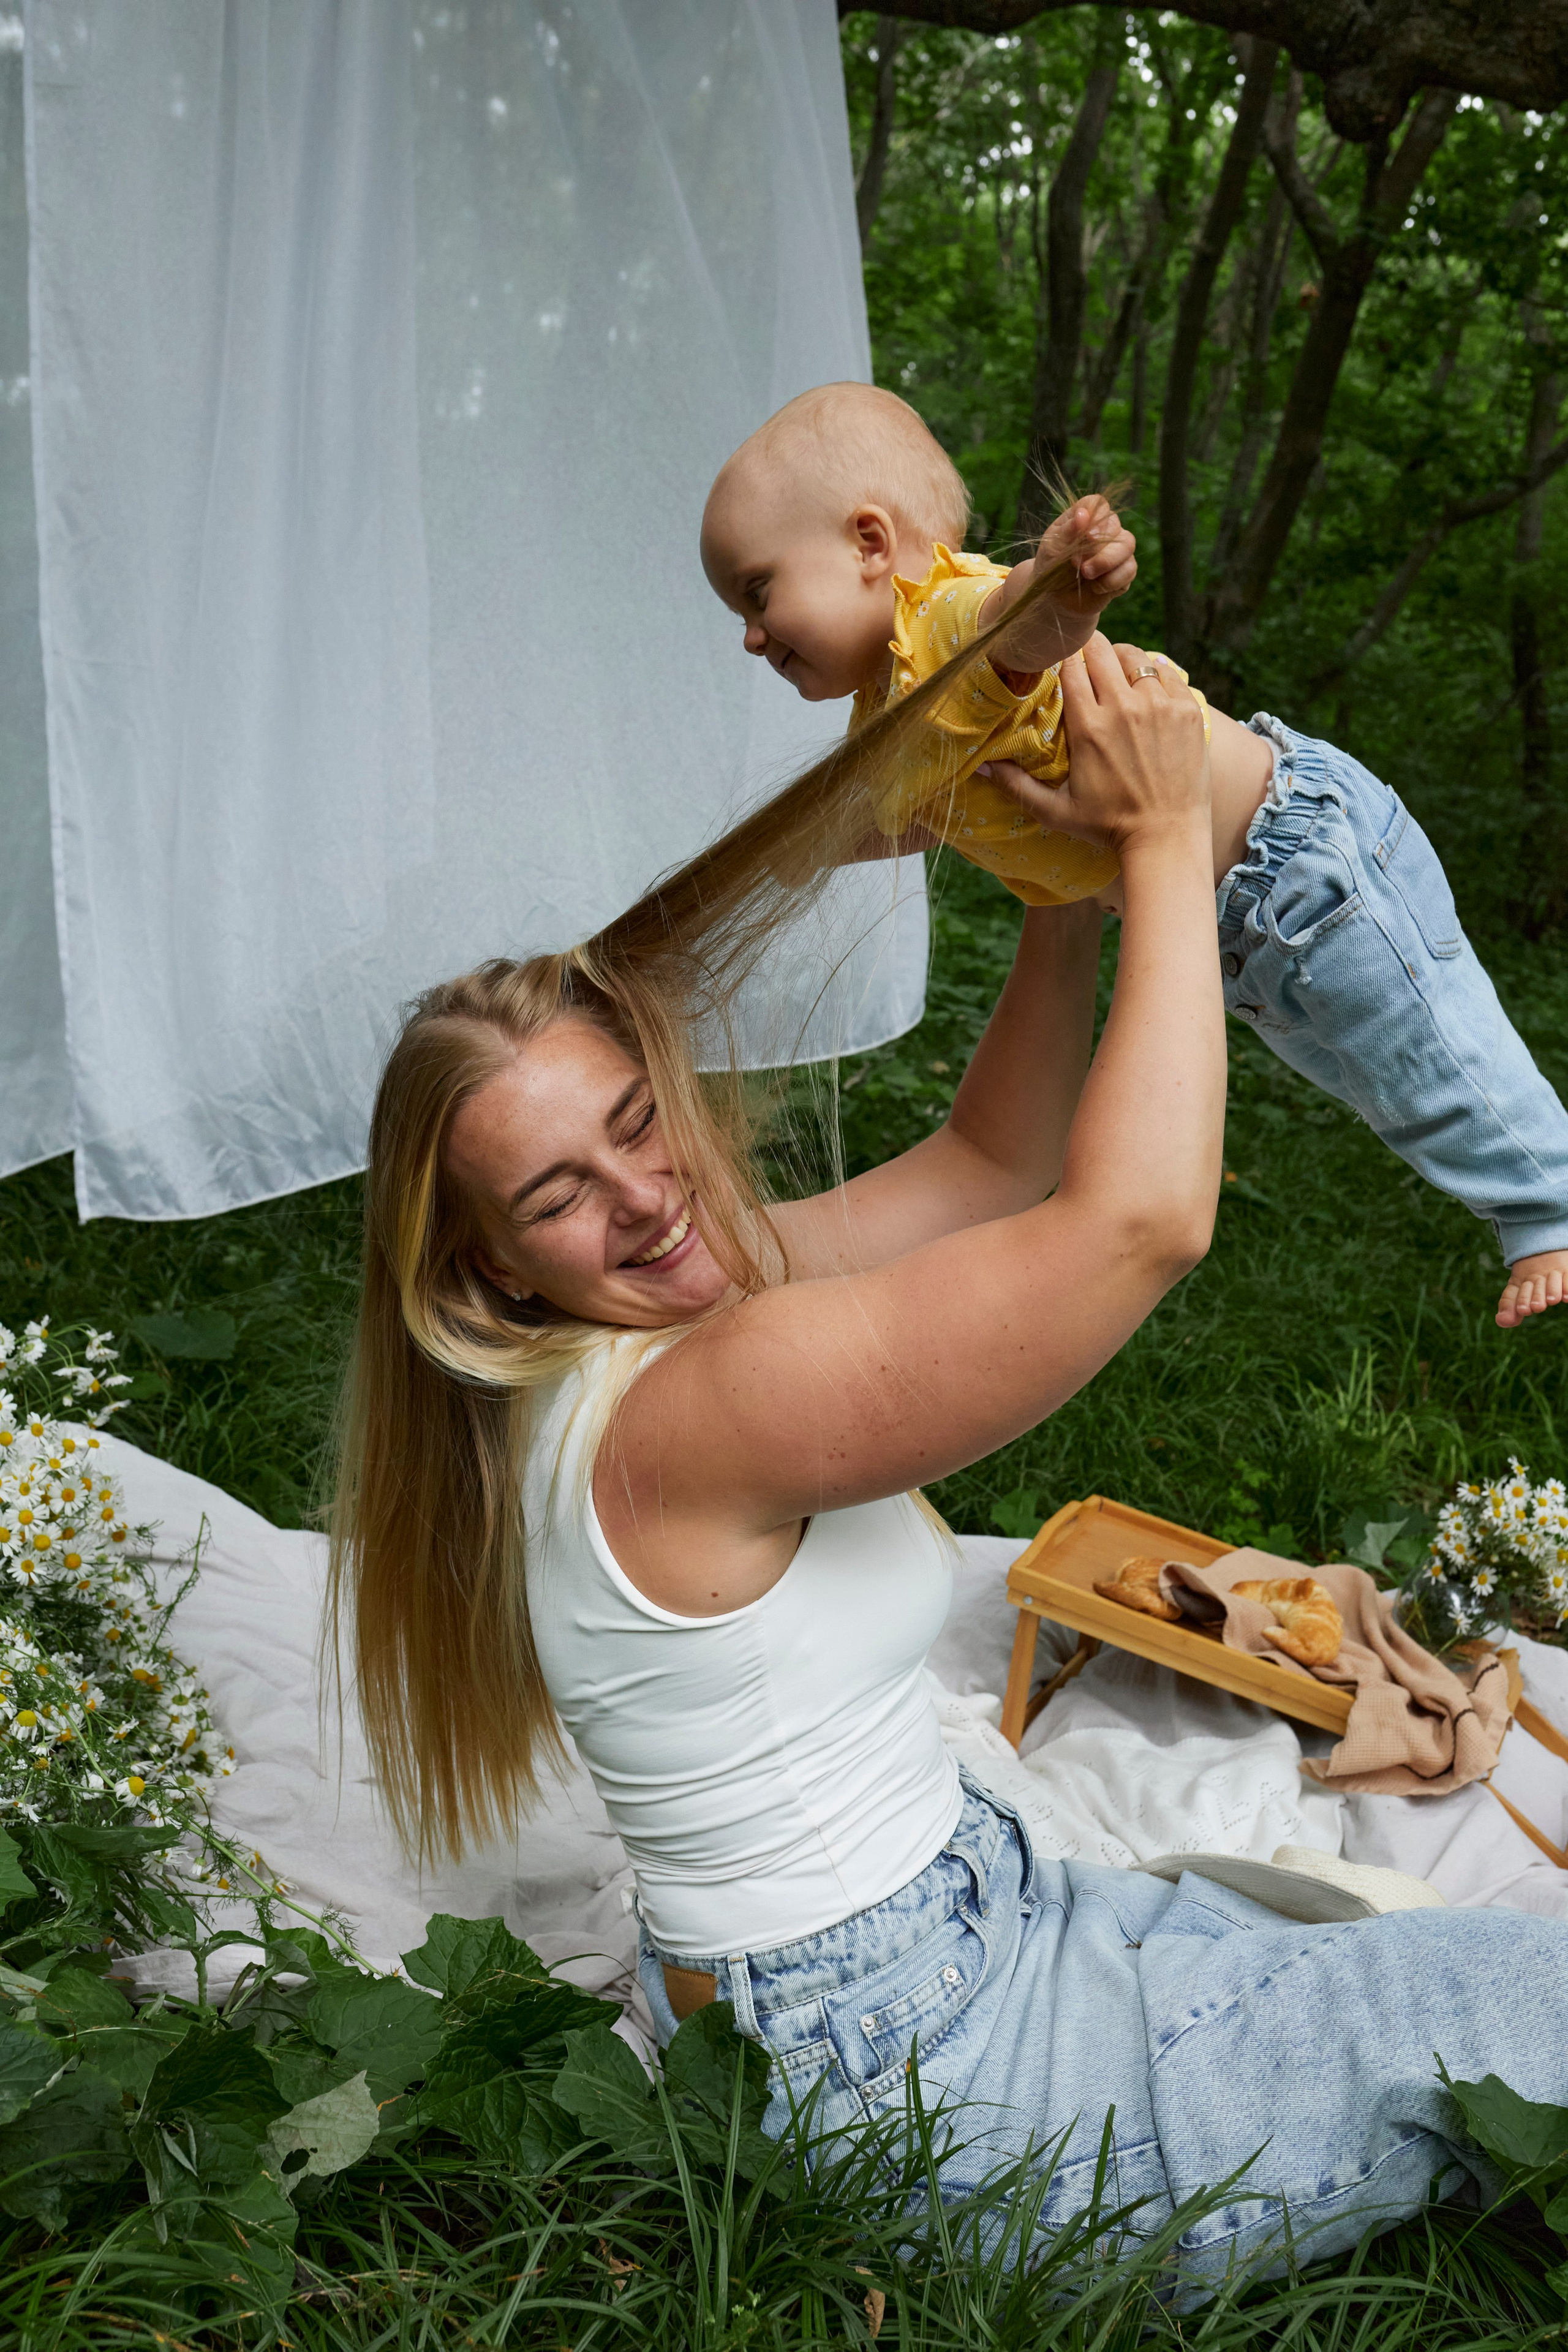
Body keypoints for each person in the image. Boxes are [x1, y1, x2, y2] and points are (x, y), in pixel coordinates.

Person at [333, 636, 1567, 2293]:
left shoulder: (637, 1339)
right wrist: (1154, 849)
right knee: (1528, 2006)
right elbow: (1140, 1220)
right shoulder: (705, 1401)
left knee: (1446, 1961)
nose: (642, 1196)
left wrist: (1058, 885)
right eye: (558, 1193)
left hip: (944, 1953)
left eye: (636, 1119)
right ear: (489, 1267)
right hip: (931, 2073)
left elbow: (993, 1161)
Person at [700, 381, 1568, 1332]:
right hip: (1244, 924)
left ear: (870, 547)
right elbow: (930, 812)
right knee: (1391, 1084)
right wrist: (814, 848)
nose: (750, 637)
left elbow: (1015, 619)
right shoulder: (896, 712)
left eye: (757, 591)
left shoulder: (936, 629)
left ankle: (1550, 1209)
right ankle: (1526, 1195)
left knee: (1430, 1046)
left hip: (1300, 859)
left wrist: (1067, 579)